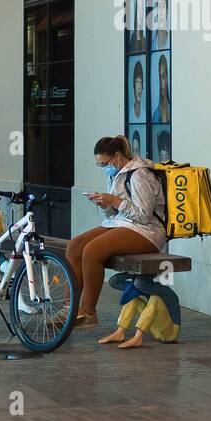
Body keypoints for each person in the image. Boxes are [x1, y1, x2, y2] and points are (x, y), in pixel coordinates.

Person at [67, 135, 166, 328]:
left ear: (118, 156)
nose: (104, 168)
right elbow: (114, 212)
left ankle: (88, 311)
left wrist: (114, 201)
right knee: (75, 246)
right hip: (122, 224)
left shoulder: (140, 175)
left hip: (147, 231)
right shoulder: (115, 174)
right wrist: (105, 203)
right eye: (100, 165)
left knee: (92, 251)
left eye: (104, 163)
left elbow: (144, 215)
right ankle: (68, 308)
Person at [151, 53, 170, 123]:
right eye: (159, 78)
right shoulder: (155, 114)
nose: (161, 83)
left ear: (167, 79)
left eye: (163, 77)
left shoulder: (172, 110)